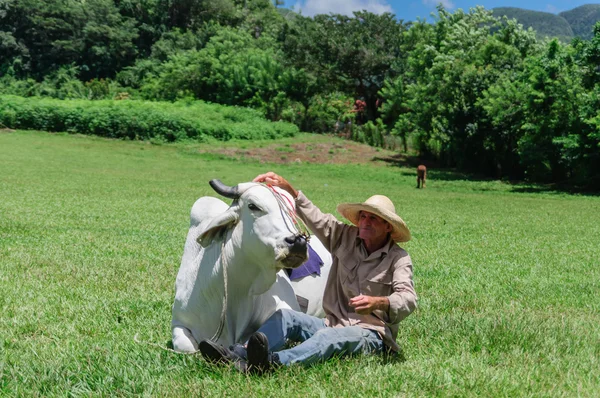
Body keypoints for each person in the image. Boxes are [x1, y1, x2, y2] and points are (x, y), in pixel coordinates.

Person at [198, 172, 417, 374]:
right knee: (286, 317)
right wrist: (291, 191)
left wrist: (379, 302)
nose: (365, 222)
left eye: (374, 218)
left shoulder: (399, 258)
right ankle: (238, 355)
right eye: (363, 217)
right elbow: (318, 219)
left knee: (327, 339)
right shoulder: (345, 237)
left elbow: (408, 299)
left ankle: (273, 362)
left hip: (371, 333)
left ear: (388, 227)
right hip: (332, 322)